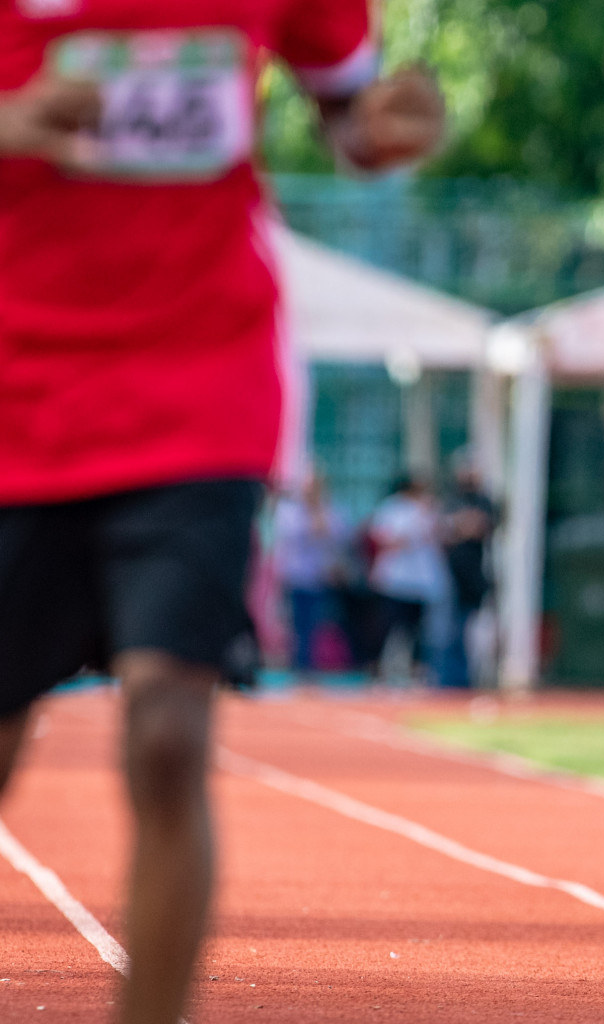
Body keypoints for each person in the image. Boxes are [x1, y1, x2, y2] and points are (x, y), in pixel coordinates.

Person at [0, 6, 444, 1022]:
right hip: (17, 390)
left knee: (166, 730)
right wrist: (15, 120)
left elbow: (347, 115)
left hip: (202, 381)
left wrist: (387, 127)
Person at [366, 475, 450, 681]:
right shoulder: (392, 508)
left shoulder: (429, 510)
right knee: (386, 628)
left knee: (418, 632)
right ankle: (377, 671)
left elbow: (440, 538)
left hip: (420, 583)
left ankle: (416, 672)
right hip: (394, 582)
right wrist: (412, 530)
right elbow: (384, 540)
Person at [271, 471, 353, 675]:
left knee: (318, 626)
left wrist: (317, 510)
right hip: (295, 577)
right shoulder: (289, 510)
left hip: (319, 577)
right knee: (297, 625)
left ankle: (312, 667)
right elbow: (298, 534)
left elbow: (339, 534)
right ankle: (298, 667)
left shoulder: (328, 509)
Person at [439, 455, 499, 689]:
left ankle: (466, 681)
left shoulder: (484, 501)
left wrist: (461, 525)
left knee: (472, 634)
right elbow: (443, 529)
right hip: (449, 576)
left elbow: (479, 526)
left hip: (475, 578)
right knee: (448, 633)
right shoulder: (452, 499)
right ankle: (450, 681)